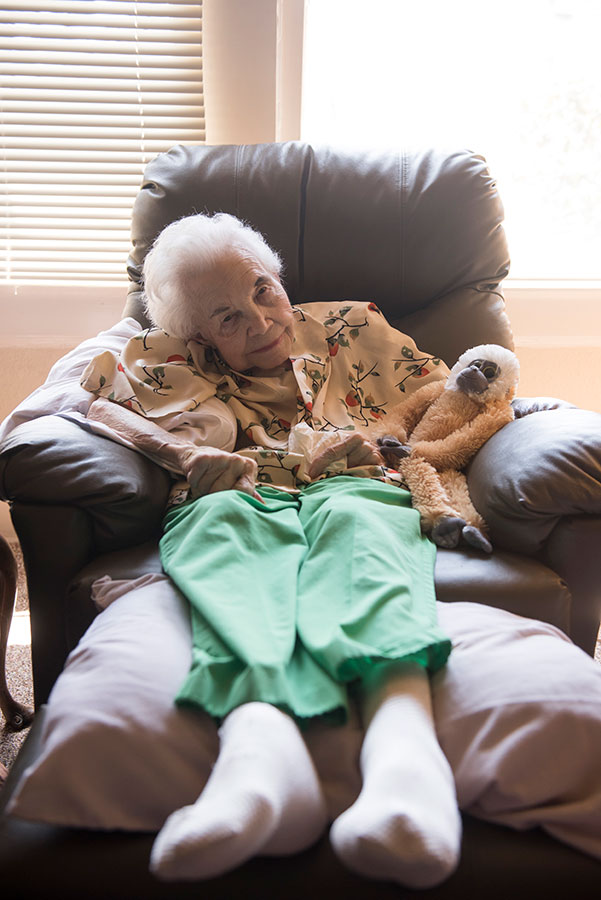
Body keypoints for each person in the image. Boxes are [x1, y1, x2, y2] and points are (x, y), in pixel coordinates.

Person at [82, 211, 462, 888]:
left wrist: (377, 440)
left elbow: (445, 391)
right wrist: (183, 450)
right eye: (226, 318)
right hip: (238, 488)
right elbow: (87, 404)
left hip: (351, 480)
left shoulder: (353, 326)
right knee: (217, 523)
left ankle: (405, 760)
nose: (258, 322)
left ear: (278, 276)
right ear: (195, 335)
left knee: (359, 519)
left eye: (261, 290)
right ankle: (259, 760)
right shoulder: (160, 358)